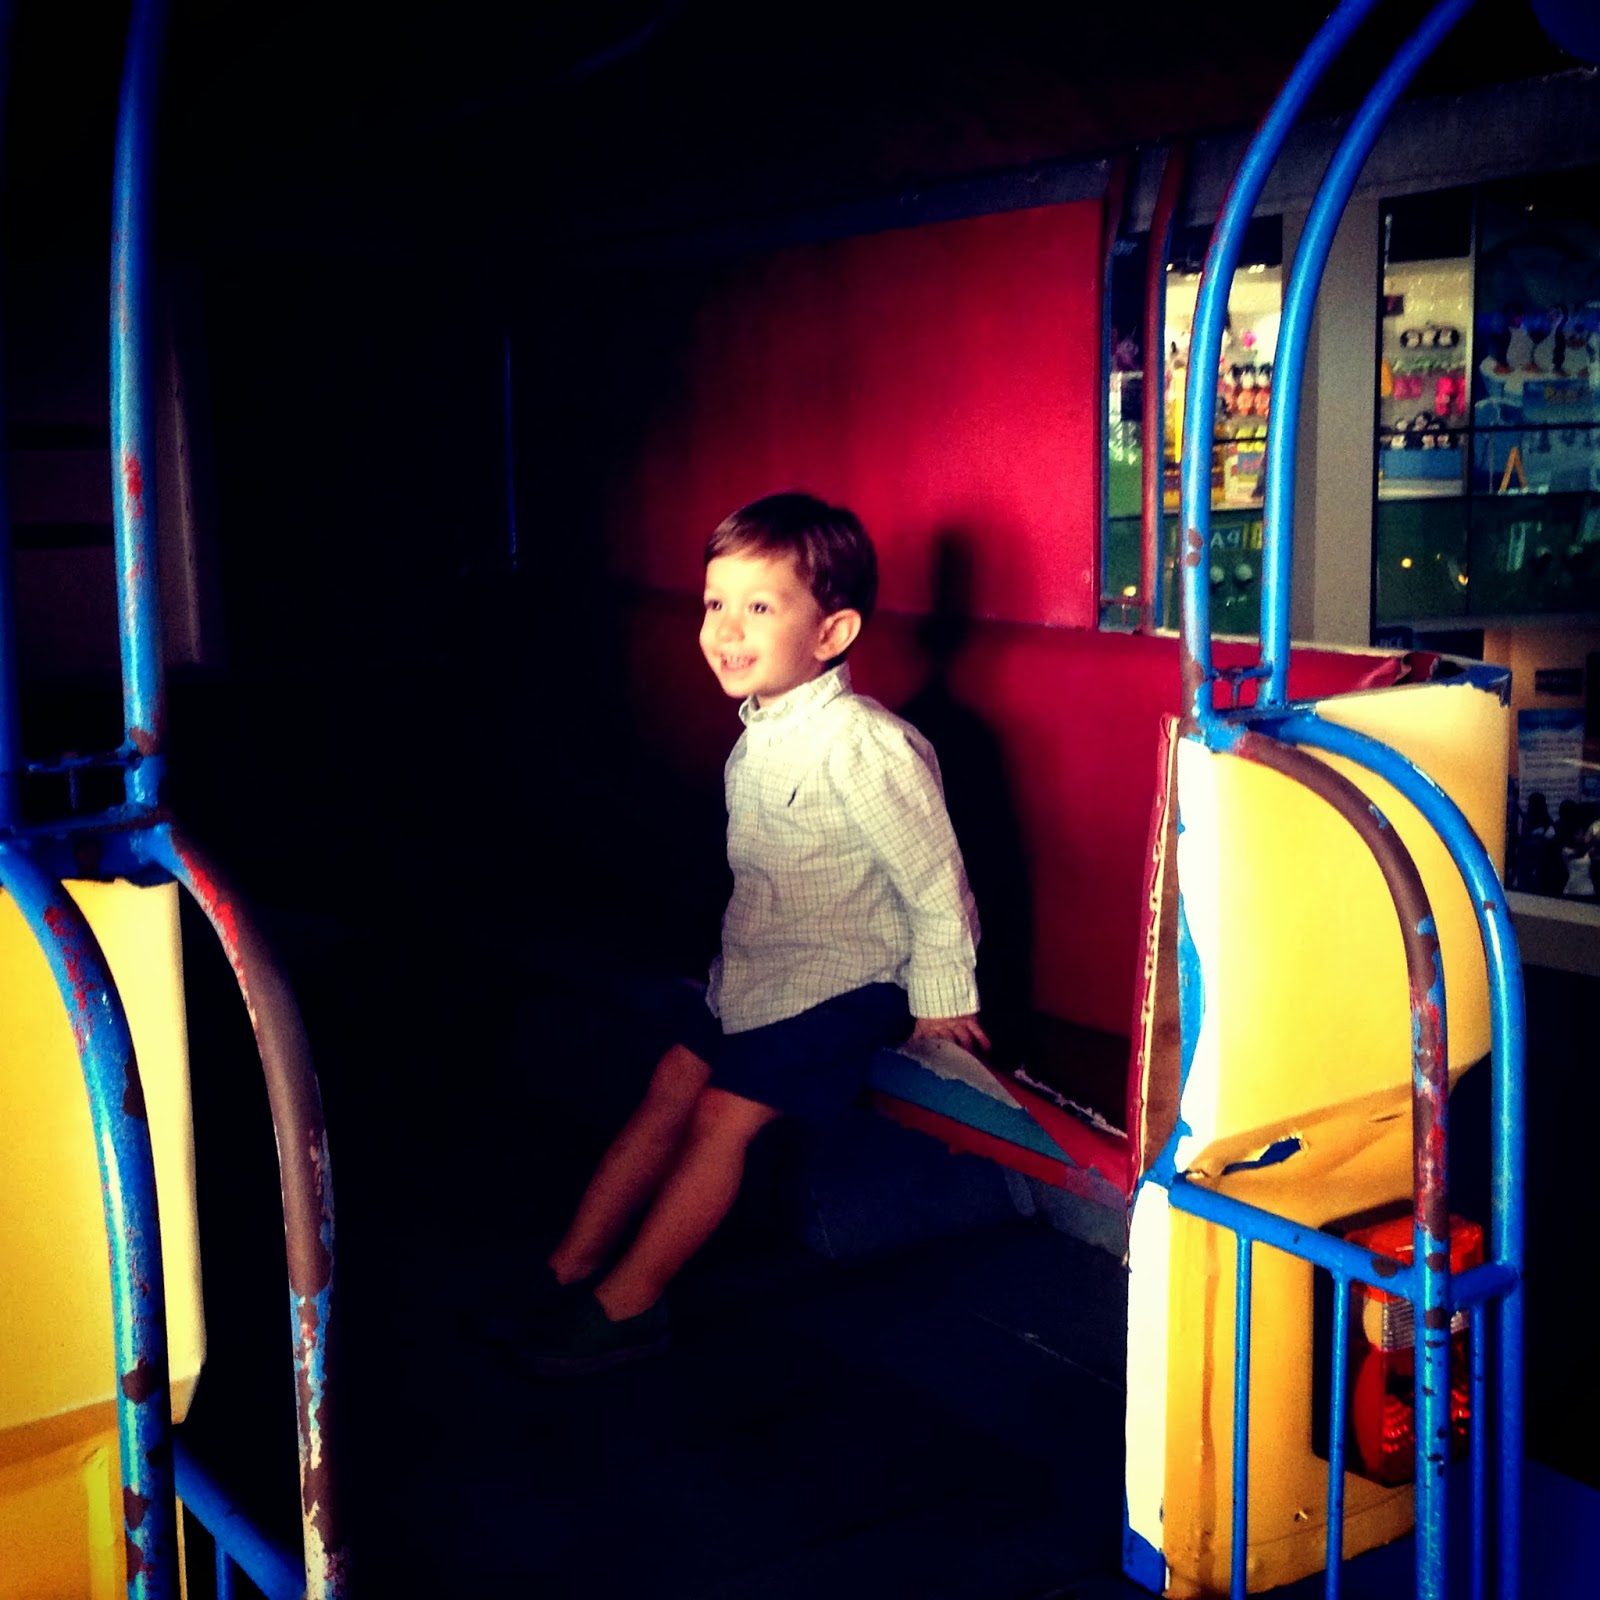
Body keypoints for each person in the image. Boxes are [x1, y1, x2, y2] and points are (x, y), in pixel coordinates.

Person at [525, 491, 986, 1376]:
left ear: (832, 632)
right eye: (715, 603)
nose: (726, 630)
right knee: (669, 1083)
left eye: (760, 607)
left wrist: (943, 1003)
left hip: (849, 984)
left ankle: (628, 1305)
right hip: (760, 975)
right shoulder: (758, 738)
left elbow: (935, 881)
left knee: (719, 1117)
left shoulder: (864, 742)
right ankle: (568, 1271)